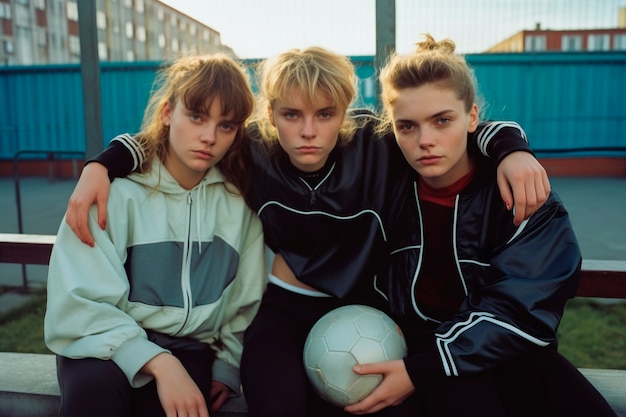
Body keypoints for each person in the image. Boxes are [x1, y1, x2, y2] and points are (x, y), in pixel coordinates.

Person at [63, 46, 551, 416]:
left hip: (361, 307)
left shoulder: (378, 146)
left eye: (324, 114)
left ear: (344, 113)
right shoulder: (250, 150)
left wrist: (510, 146)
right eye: (291, 114)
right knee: (275, 401)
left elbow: (439, 124)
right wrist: (102, 164)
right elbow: (177, 135)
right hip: (282, 306)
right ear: (270, 117)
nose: (308, 131)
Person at [342, 34, 617, 417]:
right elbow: (314, 137)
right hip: (420, 351)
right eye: (407, 126)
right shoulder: (385, 182)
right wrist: (508, 141)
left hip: (510, 351)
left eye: (442, 120)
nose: (426, 141)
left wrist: (509, 146)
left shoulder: (523, 193)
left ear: (472, 117)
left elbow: (523, 310)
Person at [43, 53, 266, 417]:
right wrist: (158, 361)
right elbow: (78, 302)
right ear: (167, 113)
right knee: (93, 396)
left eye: (226, 125)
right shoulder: (114, 193)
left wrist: (227, 365)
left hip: (191, 348)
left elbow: (246, 301)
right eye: (196, 116)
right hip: (102, 344)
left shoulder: (239, 204)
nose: (209, 136)